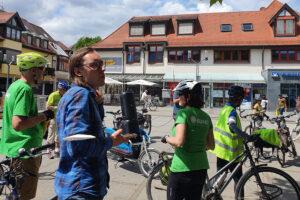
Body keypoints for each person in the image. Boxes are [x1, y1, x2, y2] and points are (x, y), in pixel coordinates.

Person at [55, 47, 132, 200]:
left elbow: (90, 130)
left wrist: (98, 104)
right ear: (78, 72)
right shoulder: (80, 95)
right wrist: (111, 141)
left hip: (80, 186)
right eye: (95, 65)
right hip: (82, 188)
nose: (102, 68)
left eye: (102, 64)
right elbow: (78, 146)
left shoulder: (77, 94)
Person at [0, 52, 54, 200]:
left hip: (14, 148)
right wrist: (44, 116)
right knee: (24, 195)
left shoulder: (14, 86)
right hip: (25, 151)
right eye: (42, 69)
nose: (44, 72)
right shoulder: (25, 89)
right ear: (33, 70)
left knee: (16, 193)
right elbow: (18, 124)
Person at [161, 80, 215, 200]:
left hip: (182, 170)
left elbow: (179, 142)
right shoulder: (206, 117)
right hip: (200, 169)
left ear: (188, 96)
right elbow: (211, 145)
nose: (178, 97)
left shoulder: (183, 114)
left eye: (180, 94)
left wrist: (167, 138)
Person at [212, 86, 248, 194]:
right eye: (241, 99)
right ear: (238, 98)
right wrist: (245, 136)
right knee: (239, 180)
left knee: (219, 180)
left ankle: (212, 194)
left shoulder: (225, 109)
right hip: (231, 154)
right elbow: (232, 125)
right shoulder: (232, 112)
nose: (242, 101)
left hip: (221, 152)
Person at [45, 81, 68, 159]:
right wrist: (56, 107)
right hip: (53, 117)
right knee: (51, 133)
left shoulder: (64, 96)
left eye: (65, 90)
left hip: (61, 117)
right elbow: (47, 106)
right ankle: (48, 150)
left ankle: (57, 150)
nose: (65, 92)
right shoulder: (53, 95)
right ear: (60, 89)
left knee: (58, 134)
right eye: (64, 90)